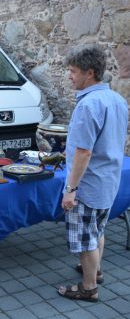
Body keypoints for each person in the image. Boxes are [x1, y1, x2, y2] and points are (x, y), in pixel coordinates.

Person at [57, 45, 128, 302]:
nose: (69, 76)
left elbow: (84, 152)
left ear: (89, 73)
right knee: (98, 229)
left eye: (73, 71)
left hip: (89, 184)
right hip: (109, 179)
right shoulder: (117, 99)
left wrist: (70, 190)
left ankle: (88, 288)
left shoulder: (88, 105)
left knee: (86, 239)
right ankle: (95, 272)